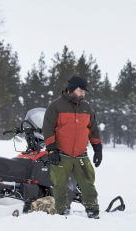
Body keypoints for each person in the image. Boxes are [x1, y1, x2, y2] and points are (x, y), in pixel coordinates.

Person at [43, 75, 103, 218]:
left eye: (84, 91)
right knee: (60, 185)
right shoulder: (56, 106)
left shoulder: (86, 108)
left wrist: (98, 148)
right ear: (71, 89)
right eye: (80, 90)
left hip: (81, 154)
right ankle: (62, 211)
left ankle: (92, 210)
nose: (83, 93)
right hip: (61, 154)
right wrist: (51, 149)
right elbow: (48, 128)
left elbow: (93, 129)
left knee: (88, 183)